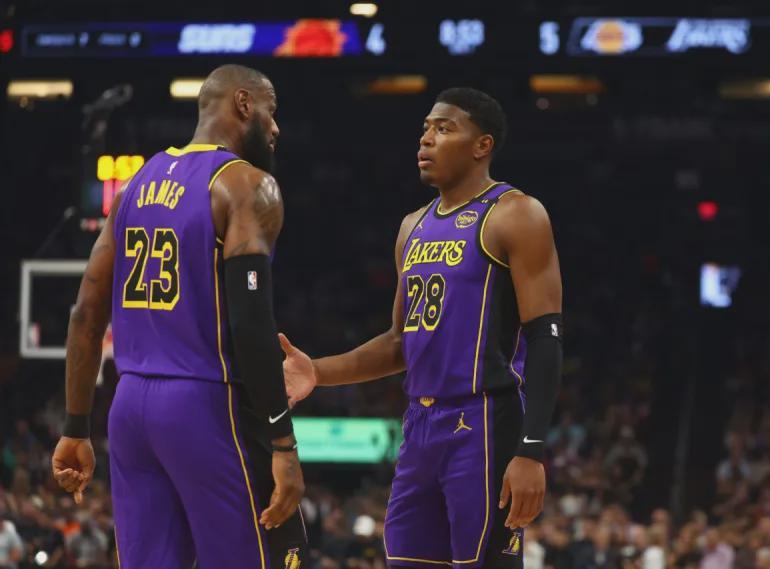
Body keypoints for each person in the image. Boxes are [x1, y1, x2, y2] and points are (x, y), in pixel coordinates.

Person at [281, 87, 563, 568]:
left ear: (482, 145)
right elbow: (399, 344)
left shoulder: (516, 214)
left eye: (444, 128)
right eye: (426, 128)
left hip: (484, 421)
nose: (426, 139)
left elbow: (545, 336)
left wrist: (532, 450)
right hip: (419, 424)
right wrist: (318, 372)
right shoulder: (412, 226)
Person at [50, 64, 307, 569]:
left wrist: (76, 426)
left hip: (129, 409)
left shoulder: (135, 185)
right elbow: (252, 323)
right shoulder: (247, 185)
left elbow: (85, 313)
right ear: (243, 104)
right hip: (203, 403)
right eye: (271, 111)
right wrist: (283, 441)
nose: (276, 128)